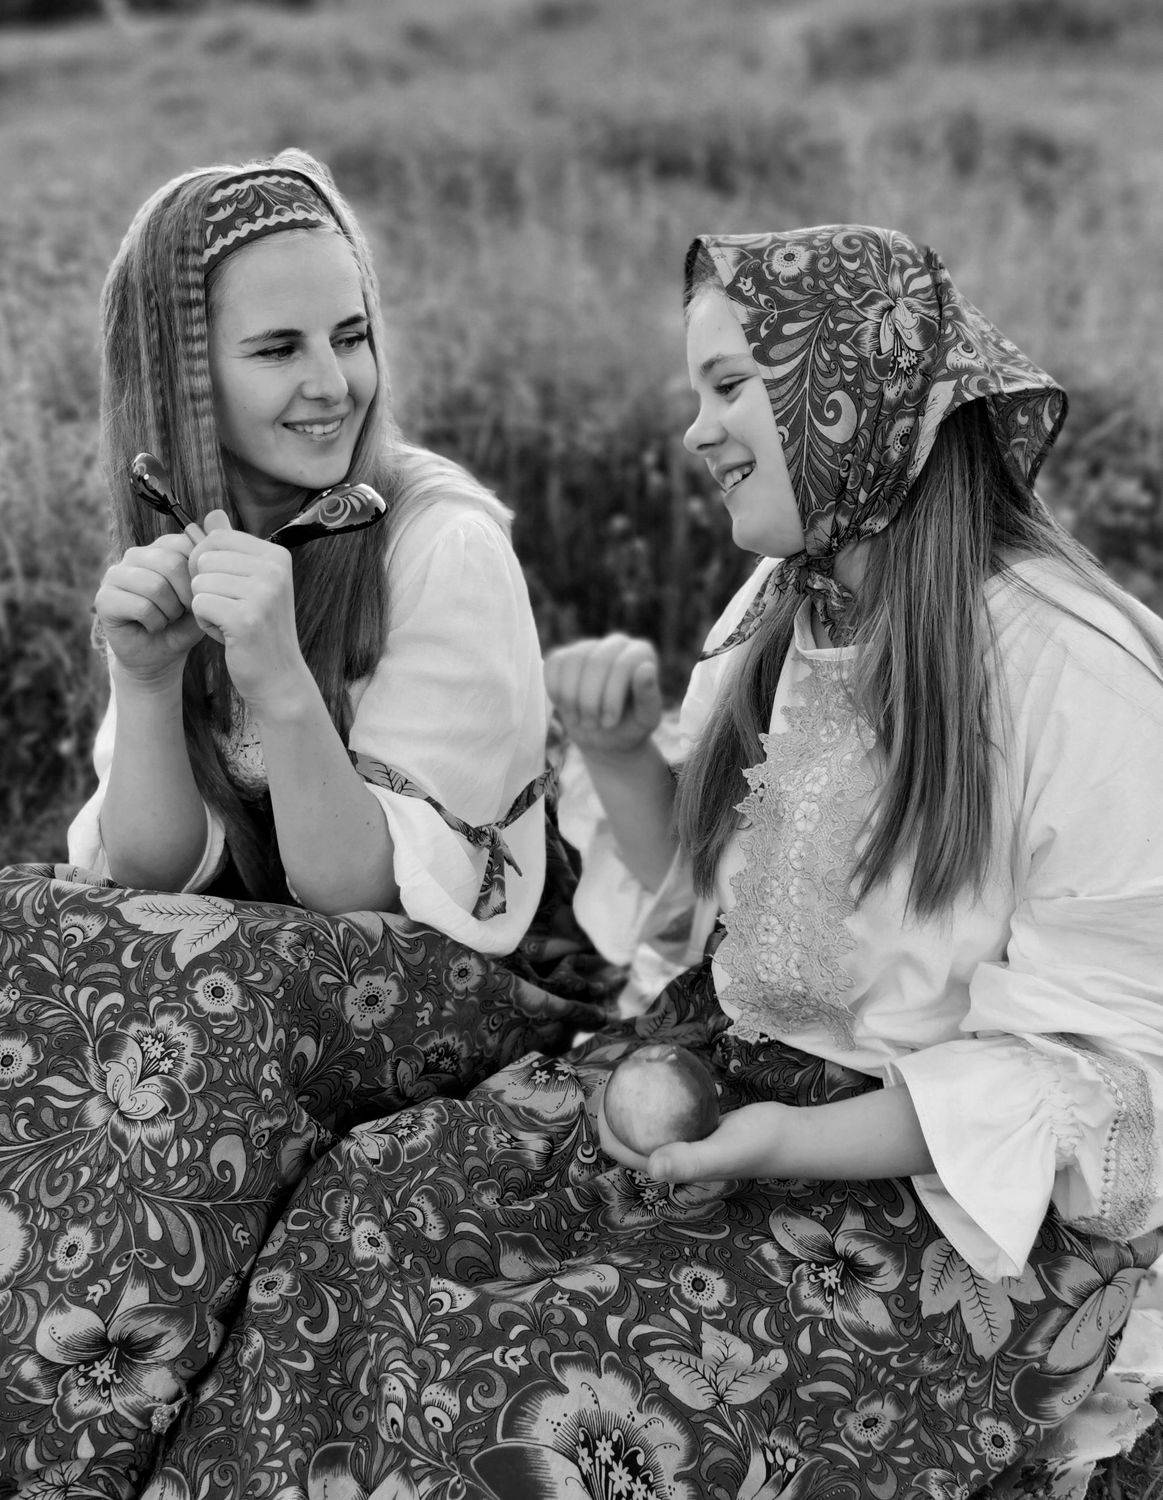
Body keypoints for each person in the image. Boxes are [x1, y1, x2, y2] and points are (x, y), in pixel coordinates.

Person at [31, 224, 1163, 1498]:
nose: (696, 430)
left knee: (514, 1390)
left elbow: (1109, 1081)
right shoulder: (788, 610)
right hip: (728, 1082)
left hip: (941, 1208)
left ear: (851, 393)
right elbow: (713, 911)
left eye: (729, 386)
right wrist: (623, 756)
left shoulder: (1071, 669)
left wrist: (780, 1144)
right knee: (370, 1206)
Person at [0, 150, 612, 1495]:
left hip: (464, 975)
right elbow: (145, 869)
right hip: (280, 966)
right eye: (277, 348)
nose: (332, 381)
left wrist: (279, 679)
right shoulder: (195, 531)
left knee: (198, 998)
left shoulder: (440, 543)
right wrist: (145, 683)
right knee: (33, 930)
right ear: (181, 380)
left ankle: (93, 1429)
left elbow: (361, 896)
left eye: (349, 334)